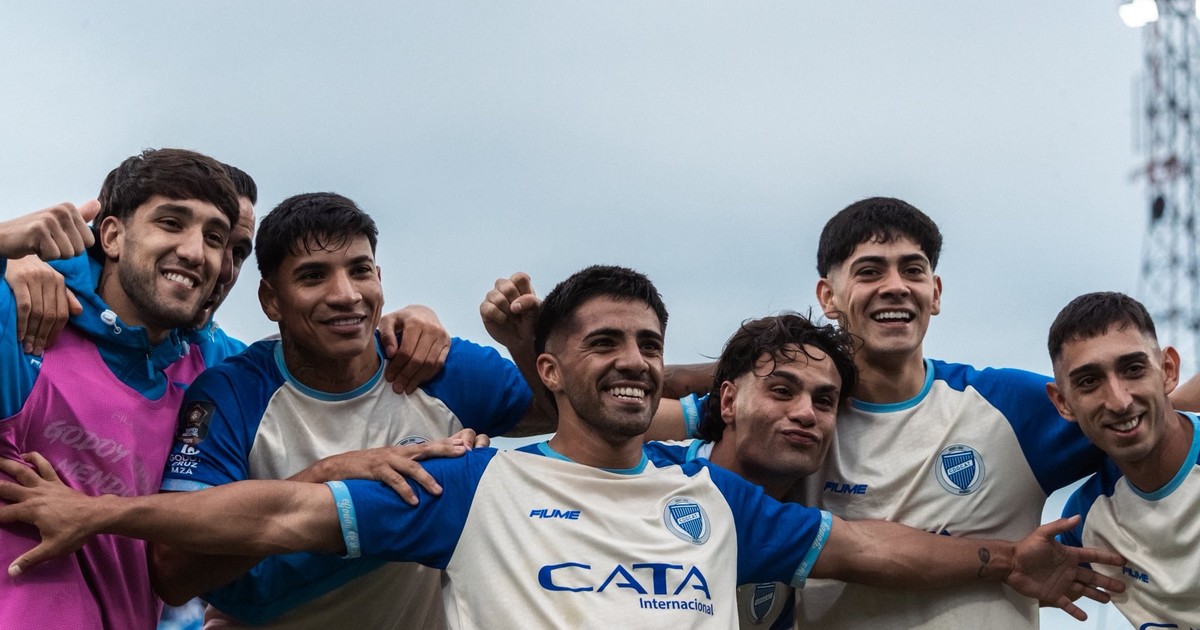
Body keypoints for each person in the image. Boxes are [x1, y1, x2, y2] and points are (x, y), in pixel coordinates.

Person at [0, 264, 1123, 629]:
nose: (632, 362)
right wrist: (100, 515)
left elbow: (868, 548)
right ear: (549, 370)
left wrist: (1004, 560)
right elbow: (277, 513)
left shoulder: (713, 500)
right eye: (604, 344)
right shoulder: (475, 478)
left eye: (649, 346)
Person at [151, 192, 536, 629]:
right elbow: (174, 573)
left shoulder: (434, 365)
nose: (346, 294)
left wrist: (526, 346)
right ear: (271, 299)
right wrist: (336, 480)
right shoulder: (232, 393)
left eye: (360, 270)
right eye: (313, 276)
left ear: (379, 278)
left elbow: (572, 419)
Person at [0, 148, 241, 630]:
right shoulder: (24, 310)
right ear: (112, 235)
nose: (196, 252)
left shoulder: (212, 367)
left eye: (214, 238)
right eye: (171, 223)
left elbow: (316, 367)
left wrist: (391, 332)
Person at [649, 312, 856, 629]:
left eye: (824, 401)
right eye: (782, 391)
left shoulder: (801, 529)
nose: (806, 413)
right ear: (729, 402)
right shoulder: (652, 473)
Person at [1046, 292, 1199, 627]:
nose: (1119, 401)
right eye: (1089, 381)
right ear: (1063, 402)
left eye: (1133, 369)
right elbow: (1036, 581)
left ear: (1168, 370)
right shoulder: (1087, 518)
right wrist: (1009, 565)